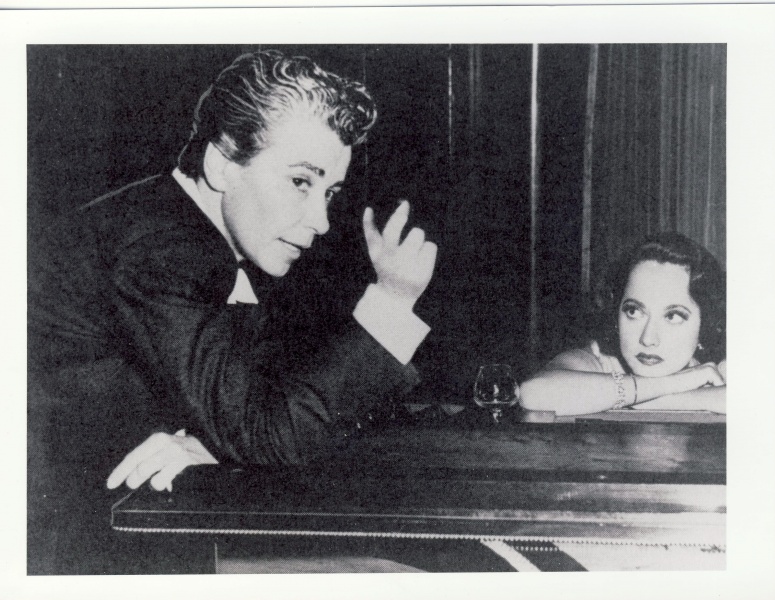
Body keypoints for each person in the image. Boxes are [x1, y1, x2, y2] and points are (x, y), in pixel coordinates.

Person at [28, 49, 437, 574]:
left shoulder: (194, 233)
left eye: (330, 192)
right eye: (300, 182)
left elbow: (274, 405)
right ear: (222, 165)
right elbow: (273, 431)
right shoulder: (160, 250)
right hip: (66, 550)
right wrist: (392, 303)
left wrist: (219, 441)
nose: (321, 221)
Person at [519, 233, 726, 417]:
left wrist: (655, 399)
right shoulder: (597, 360)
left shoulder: (721, 373)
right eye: (634, 311)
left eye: (672, 316)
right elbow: (533, 393)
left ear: (706, 324)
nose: (648, 339)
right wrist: (677, 384)